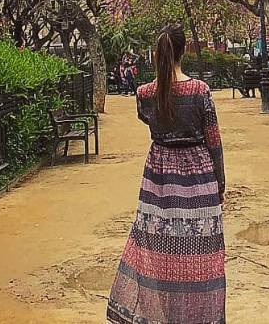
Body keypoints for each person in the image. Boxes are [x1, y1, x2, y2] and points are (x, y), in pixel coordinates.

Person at [107, 23, 226, 324]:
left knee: (157, 248)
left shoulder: (144, 94)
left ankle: (160, 316)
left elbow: (147, 118)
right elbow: (214, 141)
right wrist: (220, 183)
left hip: (158, 175)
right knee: (201, 251)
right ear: (184, 50)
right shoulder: (200, 91)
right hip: (198, 174)